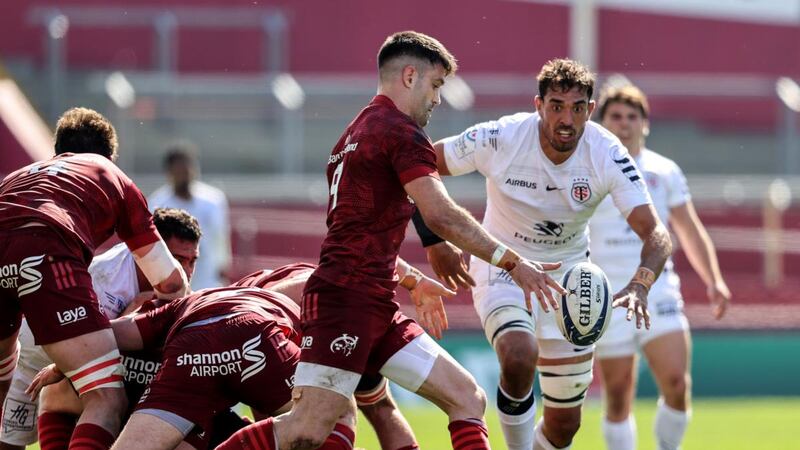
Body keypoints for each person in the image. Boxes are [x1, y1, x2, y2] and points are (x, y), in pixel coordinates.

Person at [227, 31, 570, 450]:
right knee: (306, 430)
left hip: (373, 300)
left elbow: (360, 234)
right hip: (346, 302)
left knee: (467, 397)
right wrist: (515, 264)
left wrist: (410, 280)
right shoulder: (399, 132)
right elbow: (440, 214)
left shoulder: (353, 132)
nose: (438, 98)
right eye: (436, 84)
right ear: (410, 76)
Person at [418, 59, 673, 450]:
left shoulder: (606, 151)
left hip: (570, 281)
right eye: (556, 106)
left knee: (564, 426)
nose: (565, 119)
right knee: (519, 354)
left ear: (590, 110)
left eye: (576, 108)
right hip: (502, 263)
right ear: (538, 105)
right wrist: (434, 239)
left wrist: (641, 283)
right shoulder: (501, 137)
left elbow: (655, 232)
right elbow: (418, 166)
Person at [0, 107, 188, 449]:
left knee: (3, 392)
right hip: (47, 260)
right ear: (110, 156)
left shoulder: (20, 176)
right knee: (105, 398)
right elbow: (171, 285)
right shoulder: (110, 175)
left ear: (57, 153)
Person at [590, 82, 731, 450]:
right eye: (615, 116)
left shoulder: (664, 171)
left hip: (658, 289)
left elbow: (689, 229)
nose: (624, 123)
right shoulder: (587, 168)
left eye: (632, 116)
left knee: (677, 384)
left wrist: (714, 280)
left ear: (645, 123)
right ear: (601, 122)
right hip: (607, 294)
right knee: (618, 394)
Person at [0, 208, 200, 450]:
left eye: (192, 261)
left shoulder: (167, 280)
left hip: (74, 344)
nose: (186, 271)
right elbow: (89, 344)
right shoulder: (106, 280)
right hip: (39, 351)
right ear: (158, 252)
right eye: (178, 260)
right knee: (103, 400)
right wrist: (137, 310)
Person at [149, 142, 231, 290]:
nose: (185, 173)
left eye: (188, 167)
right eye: (179, 168)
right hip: (174, 279)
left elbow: (220, 237)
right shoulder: (157, 204)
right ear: (169, 172)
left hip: (208, 277)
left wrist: (223, 266)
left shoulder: (213, 199)